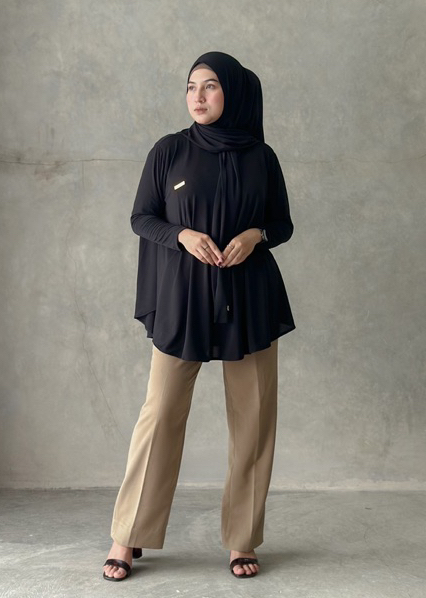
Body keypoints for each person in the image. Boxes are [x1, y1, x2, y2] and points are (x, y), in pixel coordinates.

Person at [101, 52, 295, 581]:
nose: (198, 96)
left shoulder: (261, 157)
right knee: (161, 412)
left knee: (254, 419)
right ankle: (128, 534)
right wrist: (181, 235)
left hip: (249, 298)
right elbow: (141, 217)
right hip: (183, 296)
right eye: (191, 86)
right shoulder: (170, 150)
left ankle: (242, 539)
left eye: (210, 86)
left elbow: (282, 224)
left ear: (232, 92)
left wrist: (256, 234)